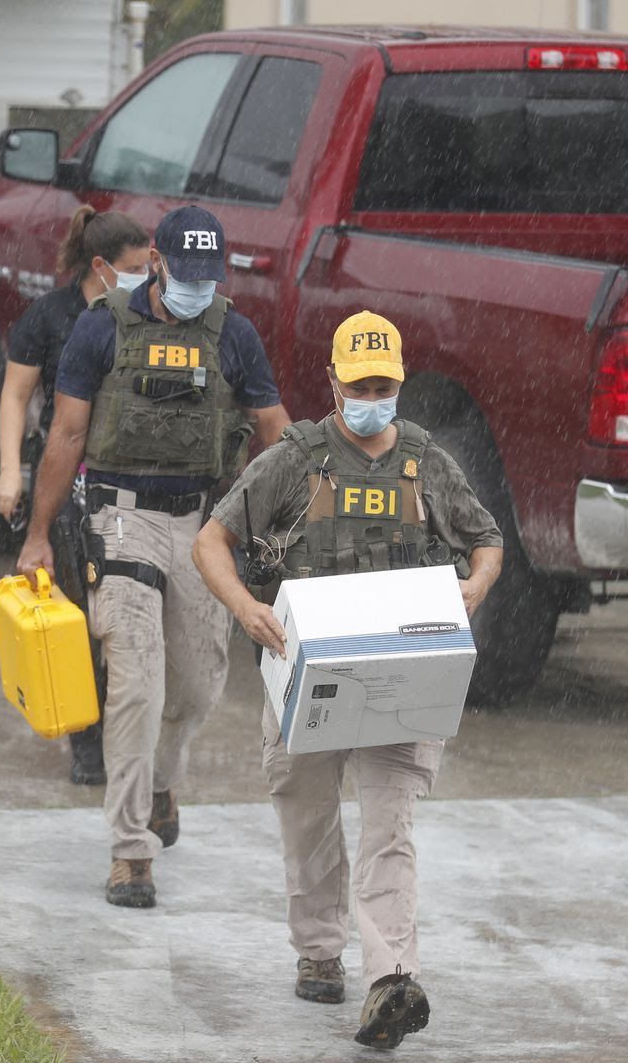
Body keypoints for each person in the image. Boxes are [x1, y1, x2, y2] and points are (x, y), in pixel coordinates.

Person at [190, 310, 504, 1051]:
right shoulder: (295, 458)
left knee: (389, 827)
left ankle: (392, 978)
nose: (372, 394)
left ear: (398, 381)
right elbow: (212, 541)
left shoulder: (427, 461)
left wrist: (475, 588)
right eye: (359, 382)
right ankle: (320, 950)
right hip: (306, 678)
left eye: (384, 383)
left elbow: (486, 539)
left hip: (400, 677)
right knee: (308, 819)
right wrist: (247, 608)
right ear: (332, 382)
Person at [16, 205, 291, 909]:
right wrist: (38, 534)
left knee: (196, 686)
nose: (199, 286)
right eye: (186, 272)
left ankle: (163, 781)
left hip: (203, 525)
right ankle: (130, 850)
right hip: (121, 515)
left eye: (211, 275)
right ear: (158, 261)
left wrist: (292, 519)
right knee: (136, 681)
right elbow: (67, 435)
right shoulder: (101, 325)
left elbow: (274, 432)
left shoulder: (235, 334)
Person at [0, 205, 152, 787]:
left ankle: (128, 732)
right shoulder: (51, 316)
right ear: (101, 266)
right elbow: (16, 397)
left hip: (130, 478)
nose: (148, 275)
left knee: (128, 612)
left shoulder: (147, 314)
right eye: (136, 266)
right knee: (80, 613)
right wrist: (11, 473)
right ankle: (88, 742)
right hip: (68, 480)